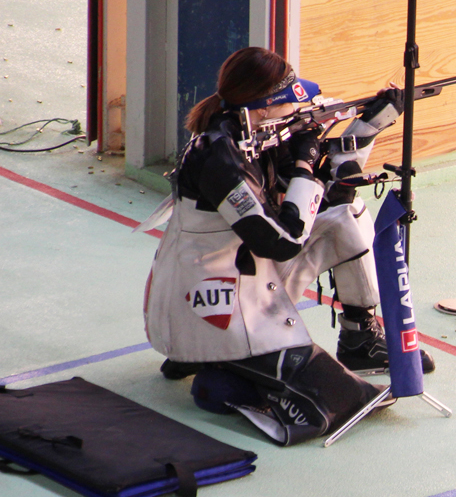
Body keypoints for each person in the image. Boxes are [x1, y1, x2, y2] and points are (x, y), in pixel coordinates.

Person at [142, 46, 432, 445]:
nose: (298, 112)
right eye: (288, 105)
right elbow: (282, 240)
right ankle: (212, 359)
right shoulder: (220, 159)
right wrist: (303, 166)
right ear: (262, 108)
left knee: (347, 212)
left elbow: (331, 180)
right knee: (341, 398)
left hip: (245, 275)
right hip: (212, 298)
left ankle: (359, 337)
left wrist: (368, 126)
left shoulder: (249, 131)